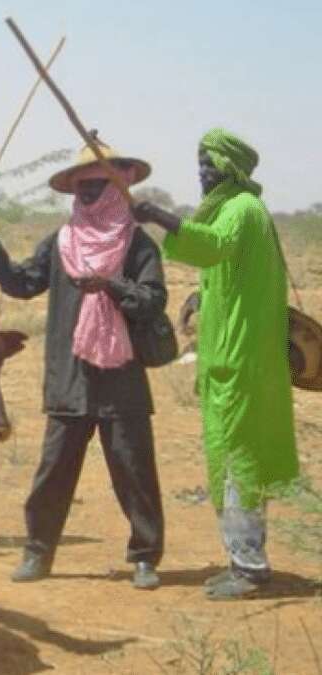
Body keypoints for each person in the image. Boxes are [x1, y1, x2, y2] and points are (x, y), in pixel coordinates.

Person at [0, 137, 167, 590]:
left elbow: (153, 301)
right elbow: (21, 283)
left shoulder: (138, 245)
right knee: (53, 471)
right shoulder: (61, 242)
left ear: (119, 187)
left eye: (99, 185)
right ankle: (38, 552)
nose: (90, 194)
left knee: (134, 469)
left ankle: (144, 556)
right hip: (70, 375)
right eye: (84, 188)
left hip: (122, 377)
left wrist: (112, 286)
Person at [132, 128, 300, 599]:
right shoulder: (236, 210)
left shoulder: (242, 210)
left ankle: (249, 567)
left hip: (243, 362)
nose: (203, 173)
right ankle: (241, 558)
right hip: (231, 360)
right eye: (200, 163)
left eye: (211, 164)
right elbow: (227, 268)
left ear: (233, 169)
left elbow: (212, 245)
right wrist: (196, 296)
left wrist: (156, 215)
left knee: (239, 462)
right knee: (230, 459)